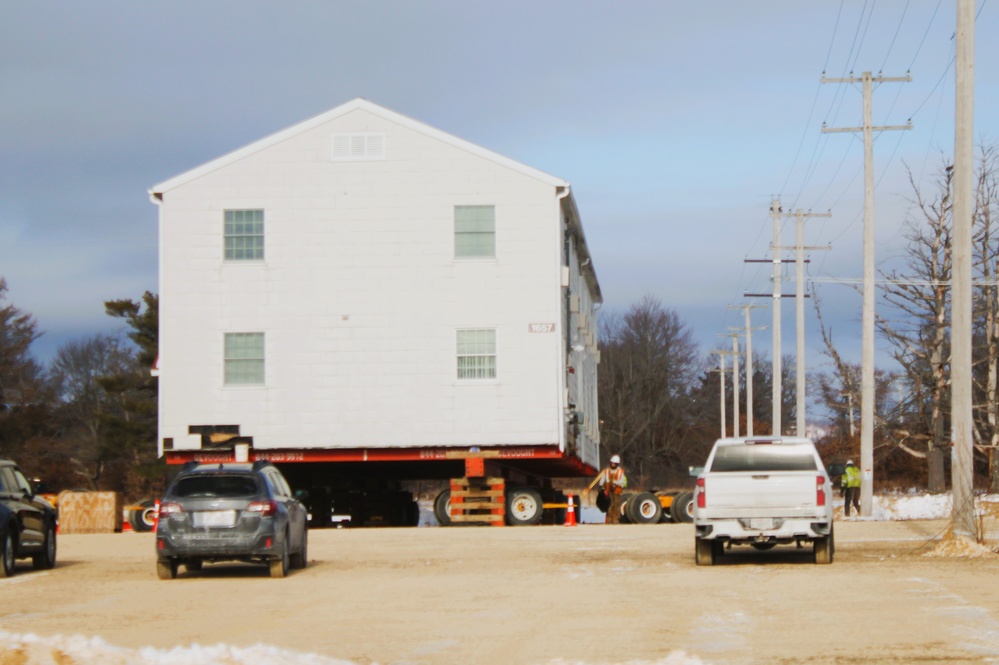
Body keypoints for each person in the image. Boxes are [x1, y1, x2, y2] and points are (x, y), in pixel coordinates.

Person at [593, 455, 628, 524]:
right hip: (608, 490)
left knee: (616, 504)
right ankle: (609, 519)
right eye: (612, 463)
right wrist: (602, 488)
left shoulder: (620, 471)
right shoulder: (607, 471)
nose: (612, 464)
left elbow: (623, 482)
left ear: (617, 464)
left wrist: (616, 483)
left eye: (614, 463)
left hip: (617, 490)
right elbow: (602, 481)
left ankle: (615, 519)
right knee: (609, 504)